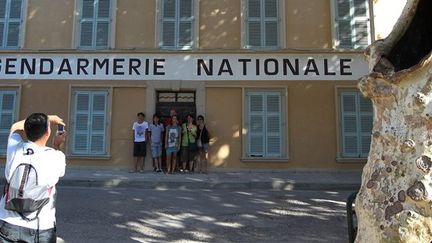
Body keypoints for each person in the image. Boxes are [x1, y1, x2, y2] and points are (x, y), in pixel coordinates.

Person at [0, 113, 66, 243]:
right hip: (40, 227)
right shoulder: (55, 156)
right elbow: (60, 169)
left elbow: (15, 126)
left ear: (26, 129)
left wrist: (49, 118)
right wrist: (57, 145)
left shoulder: (14, 148)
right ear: (47, 132)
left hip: (8, 221)